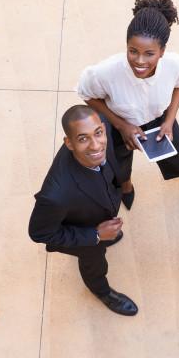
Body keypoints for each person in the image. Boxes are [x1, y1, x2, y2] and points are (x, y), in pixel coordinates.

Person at [77, 0, 179, 210]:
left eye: (149, 54)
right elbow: (87, 94)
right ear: (126, 46)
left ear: (162, 52)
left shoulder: (176, 65)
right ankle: (125, 186)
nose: (140, 61)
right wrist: (121, 125)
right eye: (133, 51)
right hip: (119, 121)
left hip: (160, 118)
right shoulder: (104, 72)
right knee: (118, 161)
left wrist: (169, 121)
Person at [28, 105, 138, 316]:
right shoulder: (56, 195)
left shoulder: (103, 127)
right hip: (82, 230)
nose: (96, 144)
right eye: (83, 139)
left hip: (98, 208)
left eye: (98, 133)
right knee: (94, 261)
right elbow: (39, 233)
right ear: (69, 143)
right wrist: (96, 235)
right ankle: (101, 291)